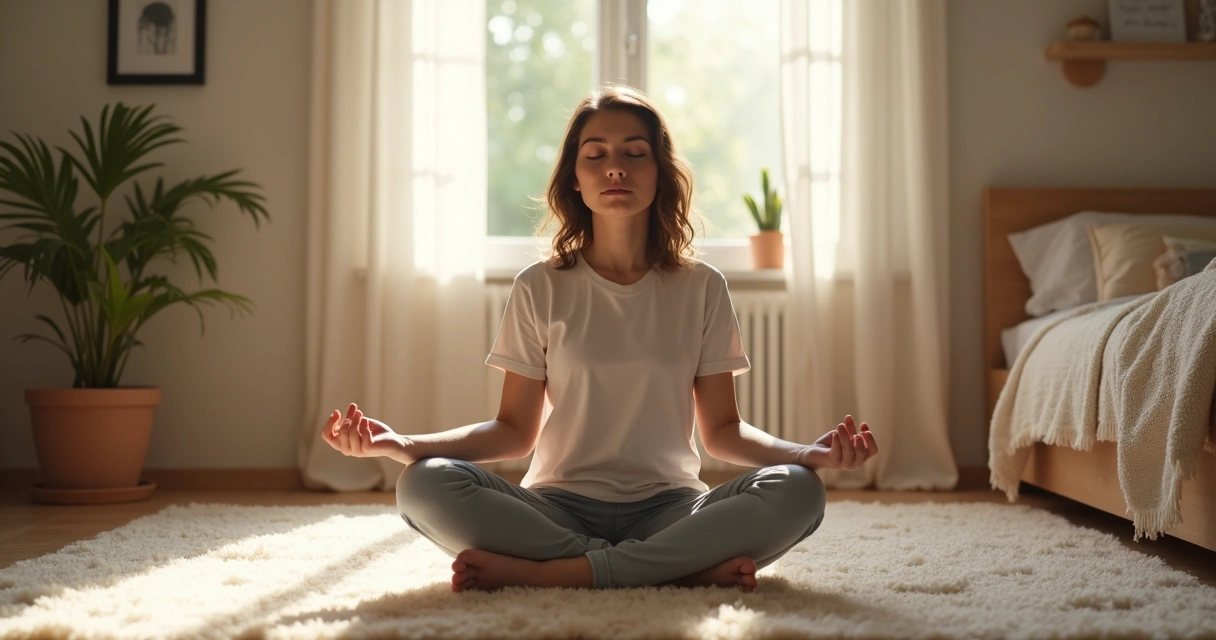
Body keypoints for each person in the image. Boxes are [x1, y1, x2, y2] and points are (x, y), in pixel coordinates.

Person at [320, 83, 878, 593]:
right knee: (422, 486)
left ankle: (562, 574)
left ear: (660, 172)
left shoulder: (702, 287)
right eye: (596, 155)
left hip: (672, 508)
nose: (616, 167)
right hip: (556, 510)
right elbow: (514, 432)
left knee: (800, 489)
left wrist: (809, 454)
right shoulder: (539, 286)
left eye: (635, 152)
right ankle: (672, 570)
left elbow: (723, 433)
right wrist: (404, 446)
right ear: (575, 177)